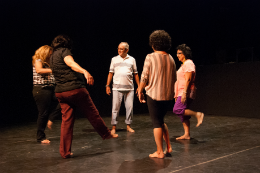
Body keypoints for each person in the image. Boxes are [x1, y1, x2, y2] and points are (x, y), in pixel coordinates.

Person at [50, 35, 118, 159]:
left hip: (60, 92)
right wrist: (84, 71)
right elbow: (70, 63)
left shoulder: (52, 57)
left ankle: (65, 152)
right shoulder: (65, 51)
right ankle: (106, 134)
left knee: (66, 122)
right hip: (74, 89)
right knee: (92, 113)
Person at [137, 30, 176, 159]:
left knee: (156, 123)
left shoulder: (151, 57)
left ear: (153, 44)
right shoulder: (171, 58)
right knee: (160, 121)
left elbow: (144, 76)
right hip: (168, 96)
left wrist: (140, 89)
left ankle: (159, 152)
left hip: (154, 95)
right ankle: (168, 146)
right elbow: (174, 78)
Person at [106, 42, 140, 134]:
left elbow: (135, 74)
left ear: (126, 50)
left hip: (129, 88)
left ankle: (128, 126)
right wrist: (107, 85)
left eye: (121, 49)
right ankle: (113, 127)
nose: (119, 50)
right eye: (118, 48)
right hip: (117, 88)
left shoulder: (132, 59)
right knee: (115, 108)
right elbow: (110, 73)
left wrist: (139, 86)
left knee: (130, 108)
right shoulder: (114, 59)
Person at [173, 44, 204, 140]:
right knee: (182, 113)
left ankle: (197, 114)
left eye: (179, 53)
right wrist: (176, 94)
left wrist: (184, 93)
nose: (177, 55)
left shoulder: (188, 63)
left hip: (186, 91)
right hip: (181, 91)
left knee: (177, 109)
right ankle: (187, 134)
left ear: (185, 53)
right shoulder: (184, 64)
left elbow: (188, 80)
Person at [32, 45, 61, 143]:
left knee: (64, 100)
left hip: (51, 89)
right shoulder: (38, 61)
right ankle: (40, 137)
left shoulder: (48, 64)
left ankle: (51, 119)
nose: (51, 55)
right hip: (41, 90)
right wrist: (53, 70)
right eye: (50, 53)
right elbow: (39, 70)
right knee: (43, 113)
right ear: (45, 53)